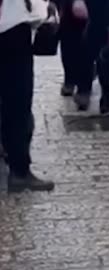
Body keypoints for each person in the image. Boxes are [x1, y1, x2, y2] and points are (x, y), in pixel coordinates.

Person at [0, 0, 55, 192]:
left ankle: (18, 167)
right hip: (12, 28)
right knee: (17, 102)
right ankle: (19, 171)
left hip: (13, 26)